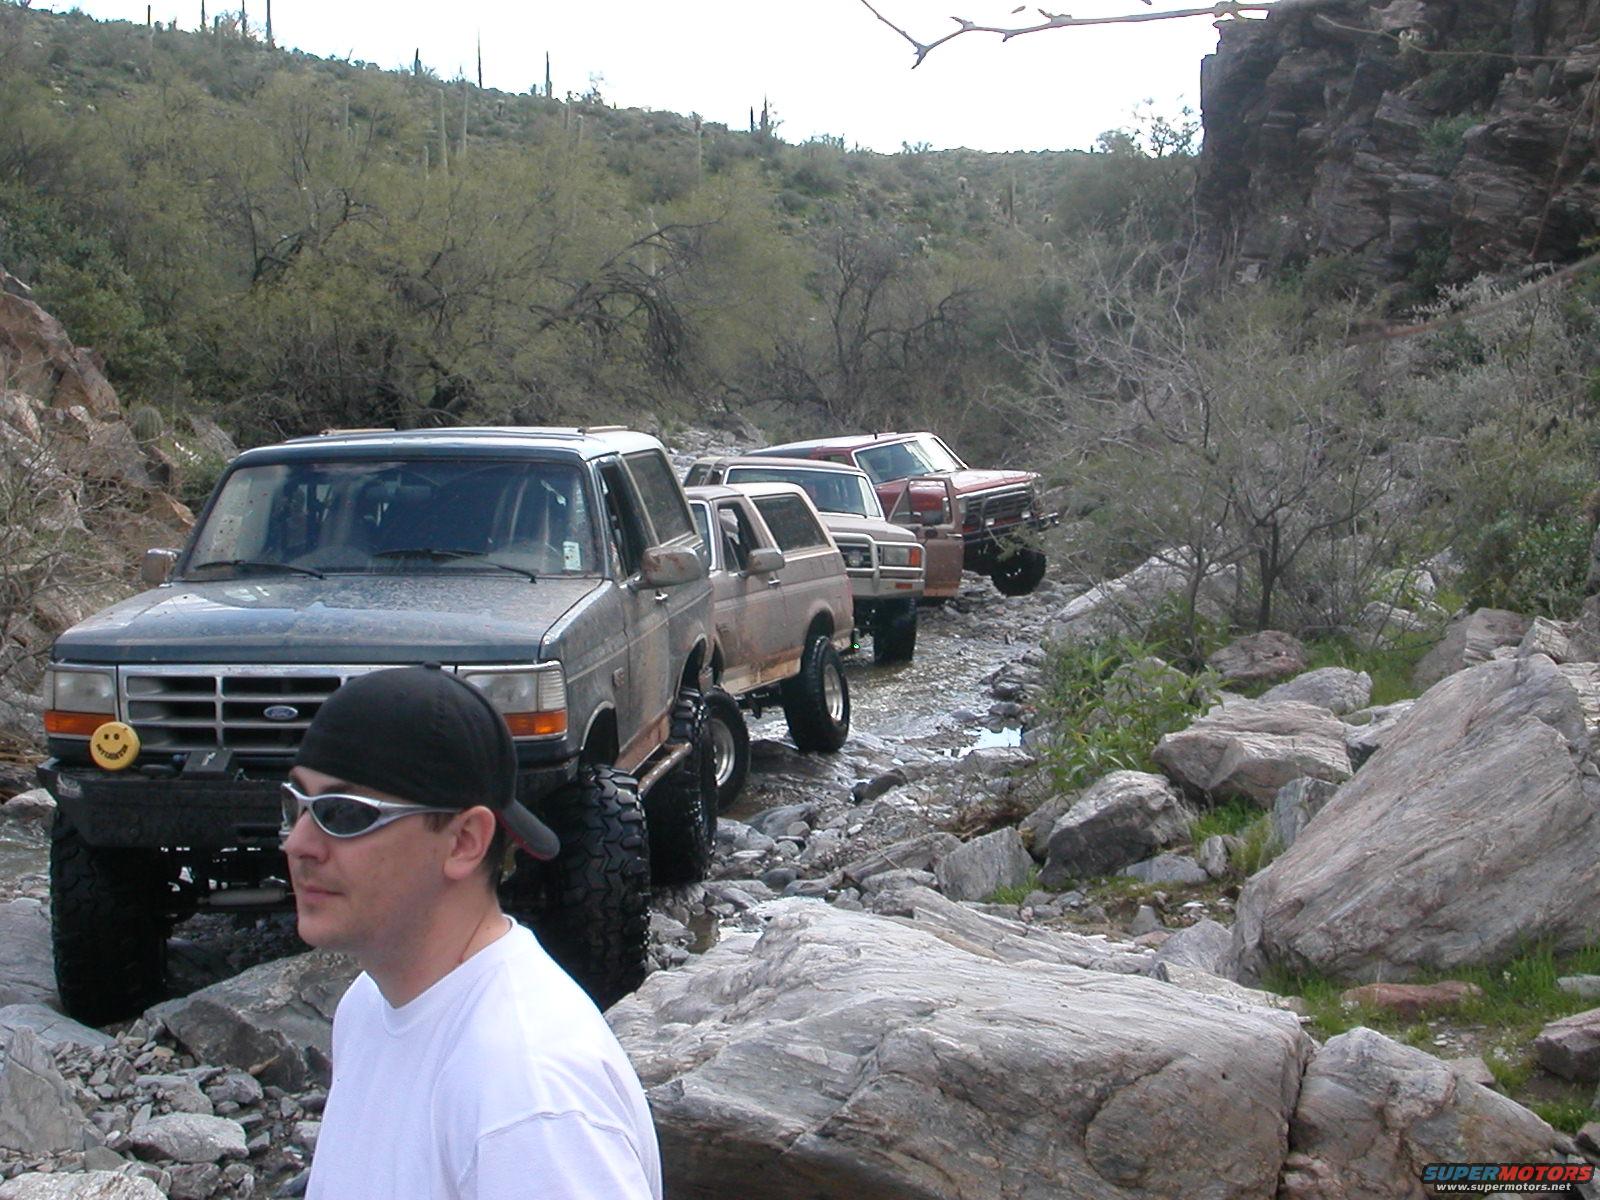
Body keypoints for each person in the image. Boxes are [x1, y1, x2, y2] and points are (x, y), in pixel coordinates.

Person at [281, 664, 663, 1200]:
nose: (298, 844)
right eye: (296, 806)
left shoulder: (530, 1096)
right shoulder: (368, 1003)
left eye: (343, 814)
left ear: (464, 841)